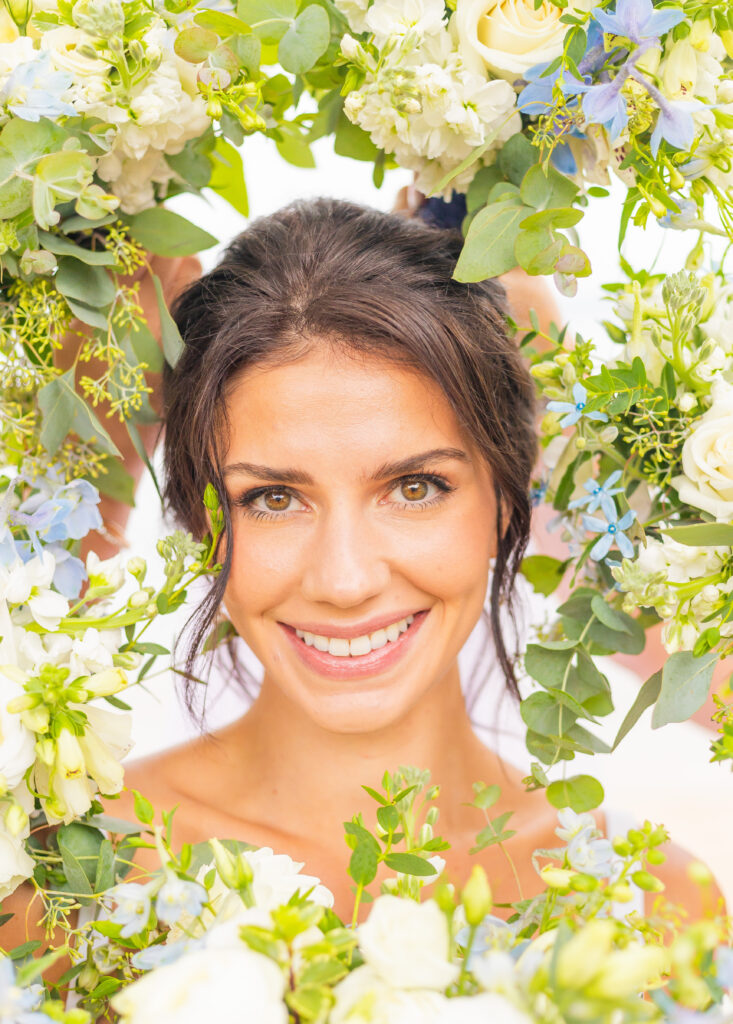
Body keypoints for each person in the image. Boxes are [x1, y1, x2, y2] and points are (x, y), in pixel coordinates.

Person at [0, 200, 717, 958]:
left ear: (509, 496)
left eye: (414, 488)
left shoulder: (645, 904)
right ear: (203, 523)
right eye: (272, 499)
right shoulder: (65, 879)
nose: (344, 581)